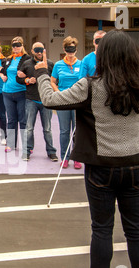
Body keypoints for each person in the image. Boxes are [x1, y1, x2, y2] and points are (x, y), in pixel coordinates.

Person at [35, 30, 139, 268]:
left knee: (102, 229)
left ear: (102, 56)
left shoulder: (90, 86)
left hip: (102, 167)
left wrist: (43, 74)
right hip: (136, 164)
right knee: (137, 231)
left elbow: (50, 99)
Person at [16, 42, 57, 162]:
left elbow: (56, 79)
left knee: (47, 129)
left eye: (41, 50)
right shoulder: (27, 63)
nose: (39, 52)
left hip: (46, 101)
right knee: (29, 128)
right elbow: (18, 78)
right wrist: (27, 80)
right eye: (36, 50)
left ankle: (51, 152)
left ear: (44, 51)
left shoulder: (49, 64)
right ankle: (27, 151)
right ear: (32, 51)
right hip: (31, 100)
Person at [50, 36, 82, 169]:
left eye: (73, 49)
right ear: (64, 49)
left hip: (77, 101)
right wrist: (58, 92)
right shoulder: (58, 65)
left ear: (76, 49)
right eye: (68, 49)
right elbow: (52, 81)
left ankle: (77, 158)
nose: (70, 52)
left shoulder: (81, 64)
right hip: (63, 101)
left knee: (77, 131)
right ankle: (65, 158)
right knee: (64, 131)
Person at [1, 36, 30, 153]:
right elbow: (2, 70)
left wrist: (26, 77)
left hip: (21, 92)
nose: (16, 47)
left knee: (23, 120)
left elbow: (32, 73)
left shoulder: (27, 59)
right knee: (11, 119)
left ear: (22, 46)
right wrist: (2, 75)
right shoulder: (8, 59)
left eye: (18, 45)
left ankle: (25, 145)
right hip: (7, 92)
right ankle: (11, 144)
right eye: (14, 45)